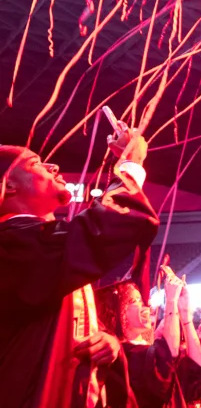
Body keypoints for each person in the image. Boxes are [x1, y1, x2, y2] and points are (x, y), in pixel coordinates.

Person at [0, 126, 159, 408]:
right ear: (8, 185)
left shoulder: (45, 249)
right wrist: (130, 166)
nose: (53, 165)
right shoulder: (11, 244)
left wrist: (108, 343)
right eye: (35, 163)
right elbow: (105, 228)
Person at [95, 268, 187, 408]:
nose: (146, 305)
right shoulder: (125, 355)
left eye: (141, 300)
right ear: (120, 310)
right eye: (135, 300)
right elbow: (168, 356)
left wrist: (183, 310)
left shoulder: (140, 350)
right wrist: (171, 300)